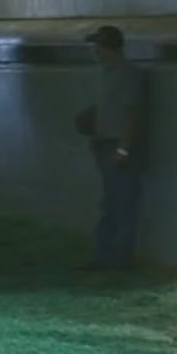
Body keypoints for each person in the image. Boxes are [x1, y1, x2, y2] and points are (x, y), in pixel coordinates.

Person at [75, 24, 144, 270]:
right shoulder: (108, 74)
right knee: (112, 200)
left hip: (117, 145)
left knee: (120, 202)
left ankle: (116, 257)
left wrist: (124, 148)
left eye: (99, 46)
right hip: (106, 142)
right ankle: (107, 255)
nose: (96, 51)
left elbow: (132, 113)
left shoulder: (126, 75)